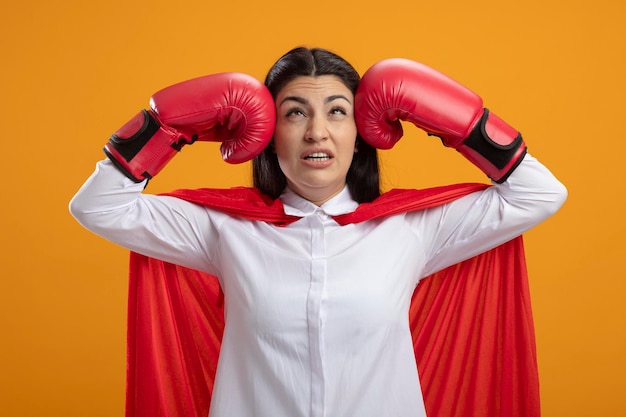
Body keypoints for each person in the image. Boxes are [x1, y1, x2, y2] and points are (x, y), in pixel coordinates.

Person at [69, 47, 567, 417]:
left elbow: (540, 194)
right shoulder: (223, 229)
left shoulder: (414, 228)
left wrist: (461, 123)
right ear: (266, 134)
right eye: (294, 113)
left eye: (337, 111)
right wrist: (163, 128)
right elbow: (98, 206)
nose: (316, 132)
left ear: (361, 132)